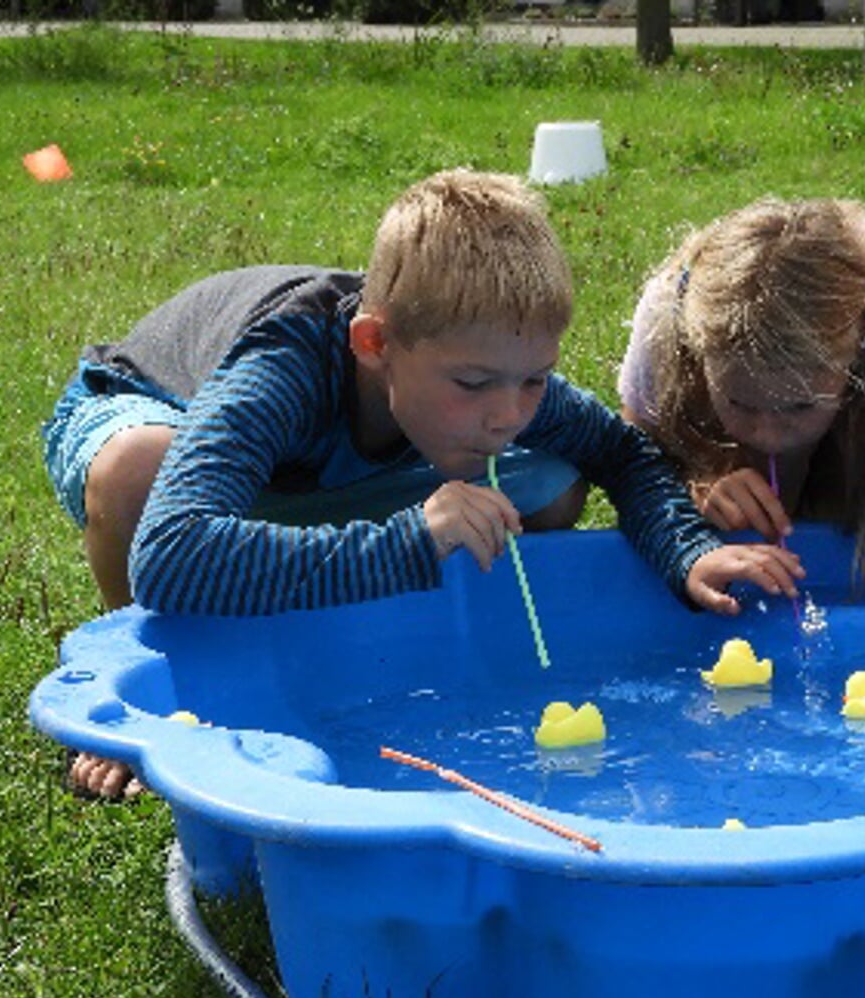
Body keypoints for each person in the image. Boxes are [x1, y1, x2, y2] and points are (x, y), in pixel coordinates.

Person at [42, 170, 803, 798]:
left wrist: (688, 552)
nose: (506, 413)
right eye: (473, 384)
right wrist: (409, 543)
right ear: (374, 344)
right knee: (138, 468)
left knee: (553, 475)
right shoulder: (284, 368)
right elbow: (171, 555)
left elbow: (624, 456)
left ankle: (454, 638)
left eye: (534, 379)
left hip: (329, 476)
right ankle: (152, 705)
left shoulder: (485, 372)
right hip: (166, 431)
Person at [618, 198, 865, 587]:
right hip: (719, 444)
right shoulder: (670, 313)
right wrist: (699, 484)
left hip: (858, 424)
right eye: (740, 403)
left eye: (799, 406)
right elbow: (634, 453)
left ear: (859, 349)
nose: (766, 434)